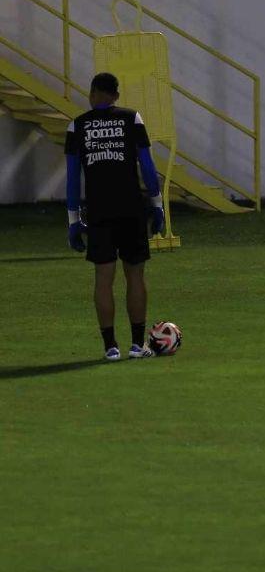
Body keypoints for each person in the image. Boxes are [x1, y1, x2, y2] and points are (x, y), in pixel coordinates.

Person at [65, 72, 166, 360]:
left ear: (92, 92)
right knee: (135, 275)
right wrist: (156, 204)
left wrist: (73, 222)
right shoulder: (131, 118)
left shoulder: (77, 126)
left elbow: (73, 178)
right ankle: (137, 345)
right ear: (116, 96)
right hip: (131, 208)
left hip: (99, 211)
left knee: (103, 278)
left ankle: (110, 347)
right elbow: (147, 165)